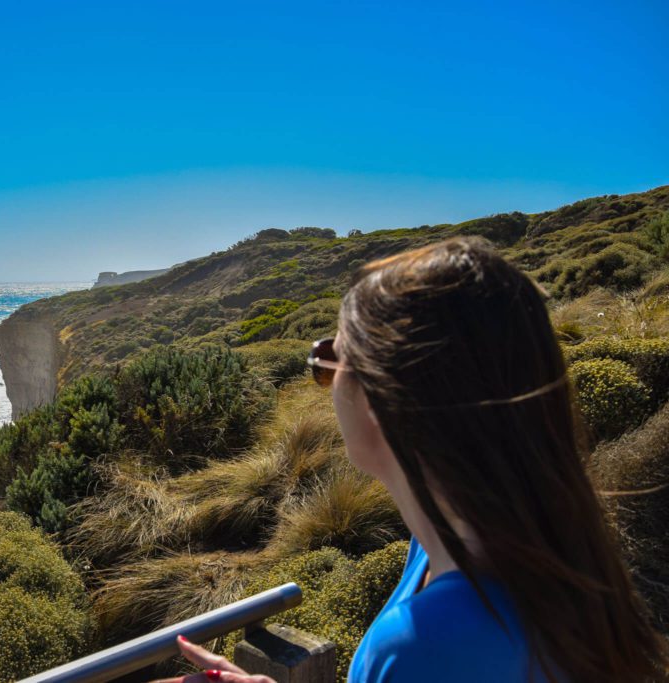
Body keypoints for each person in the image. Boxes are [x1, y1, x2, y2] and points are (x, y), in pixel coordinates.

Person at [154, 236, 668, 683]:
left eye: (331, 359)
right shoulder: (518, 546)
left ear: (381, 399)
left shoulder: (428, 646)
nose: (326, 381)